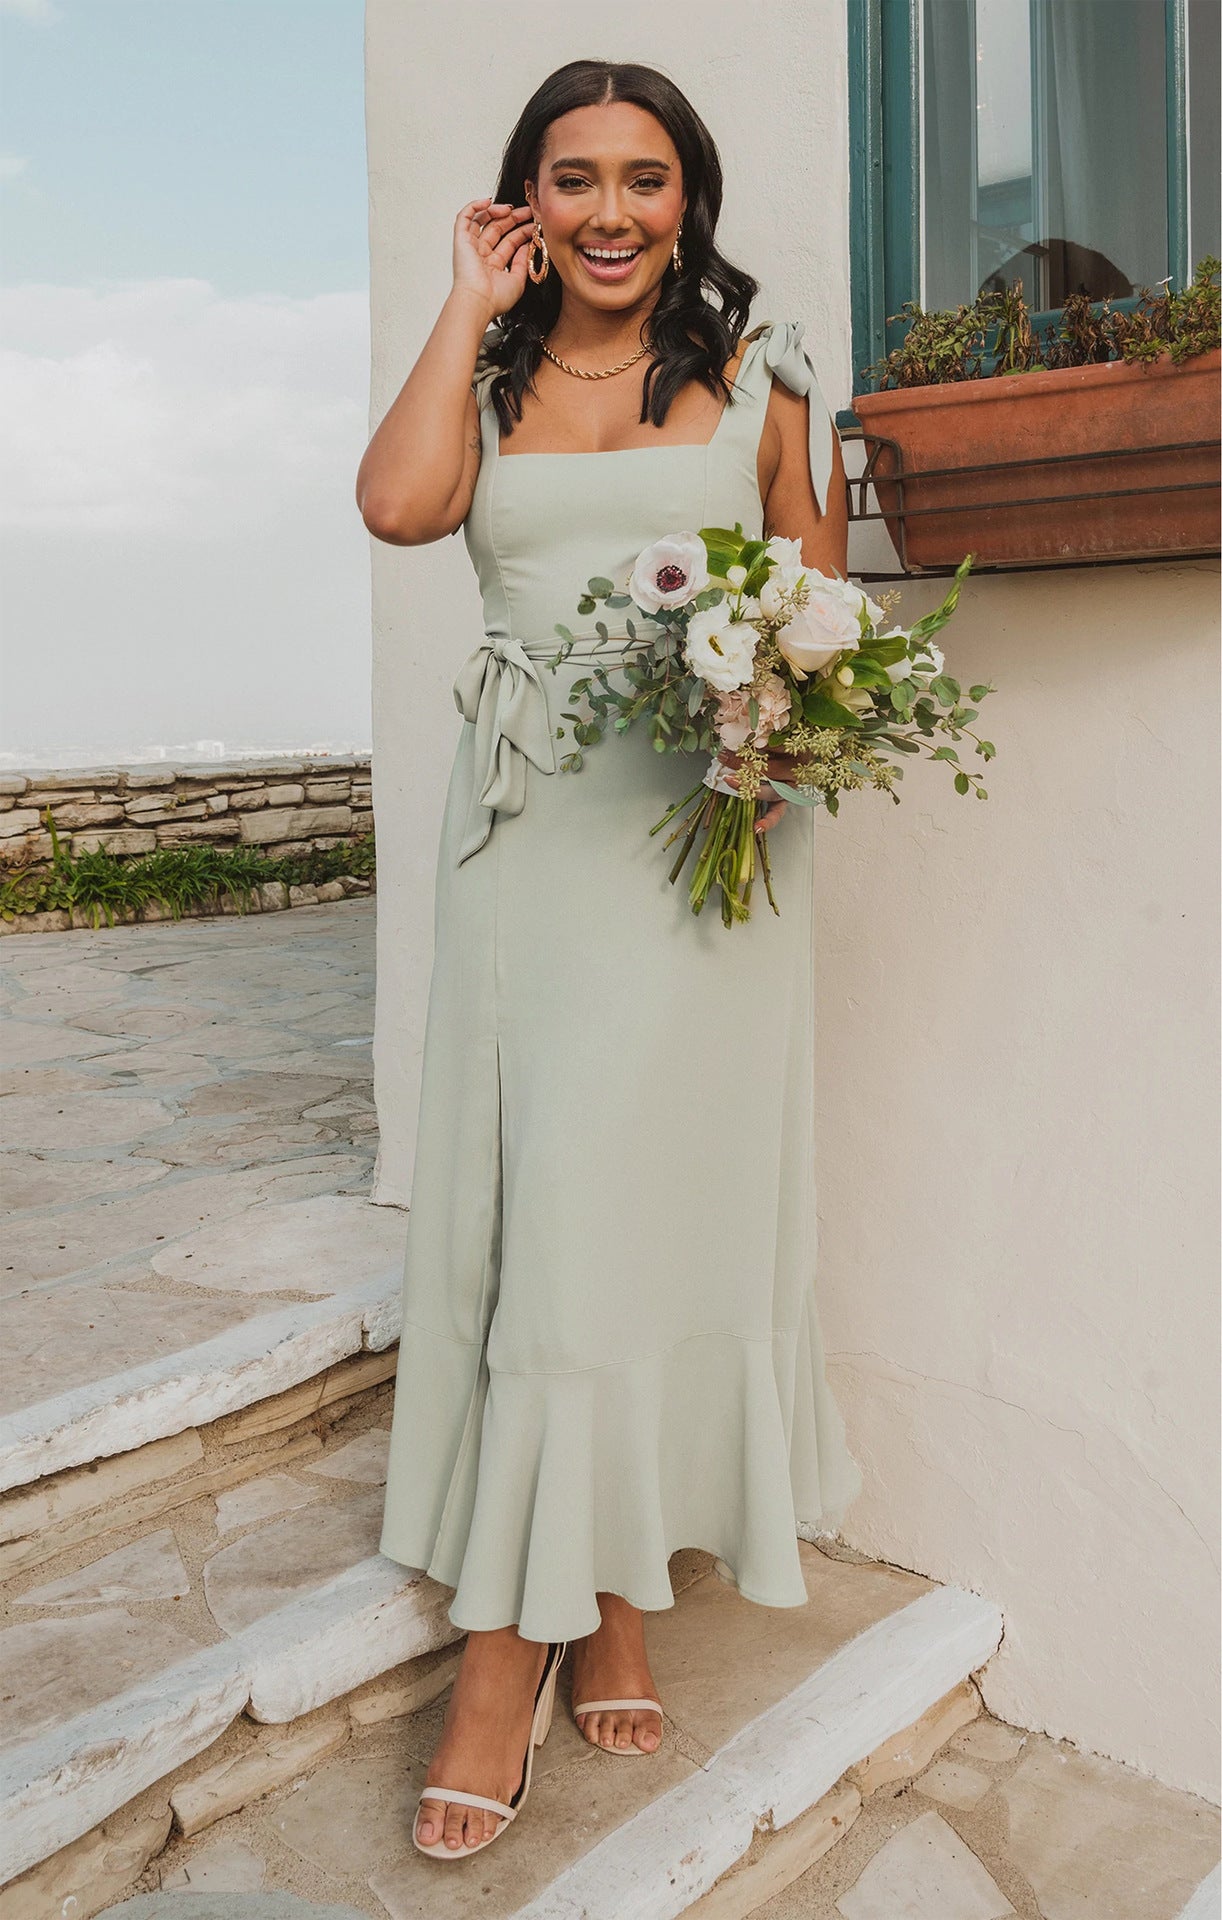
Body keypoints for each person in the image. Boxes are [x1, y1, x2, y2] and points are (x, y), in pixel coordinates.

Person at [355, 57, 864, 1863]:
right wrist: (458, 303)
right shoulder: (484, 377)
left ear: (687, 198)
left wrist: (775, 740)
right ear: (523, 202)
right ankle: (539, 1640)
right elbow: (399, 511)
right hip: (527, 858)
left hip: (697, 861)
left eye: (643, 180)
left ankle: (586, 1606)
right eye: (570, 181)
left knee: (643, 1230)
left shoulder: (765, 374)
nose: (608, 214)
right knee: (550, 1233)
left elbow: (820, 618)